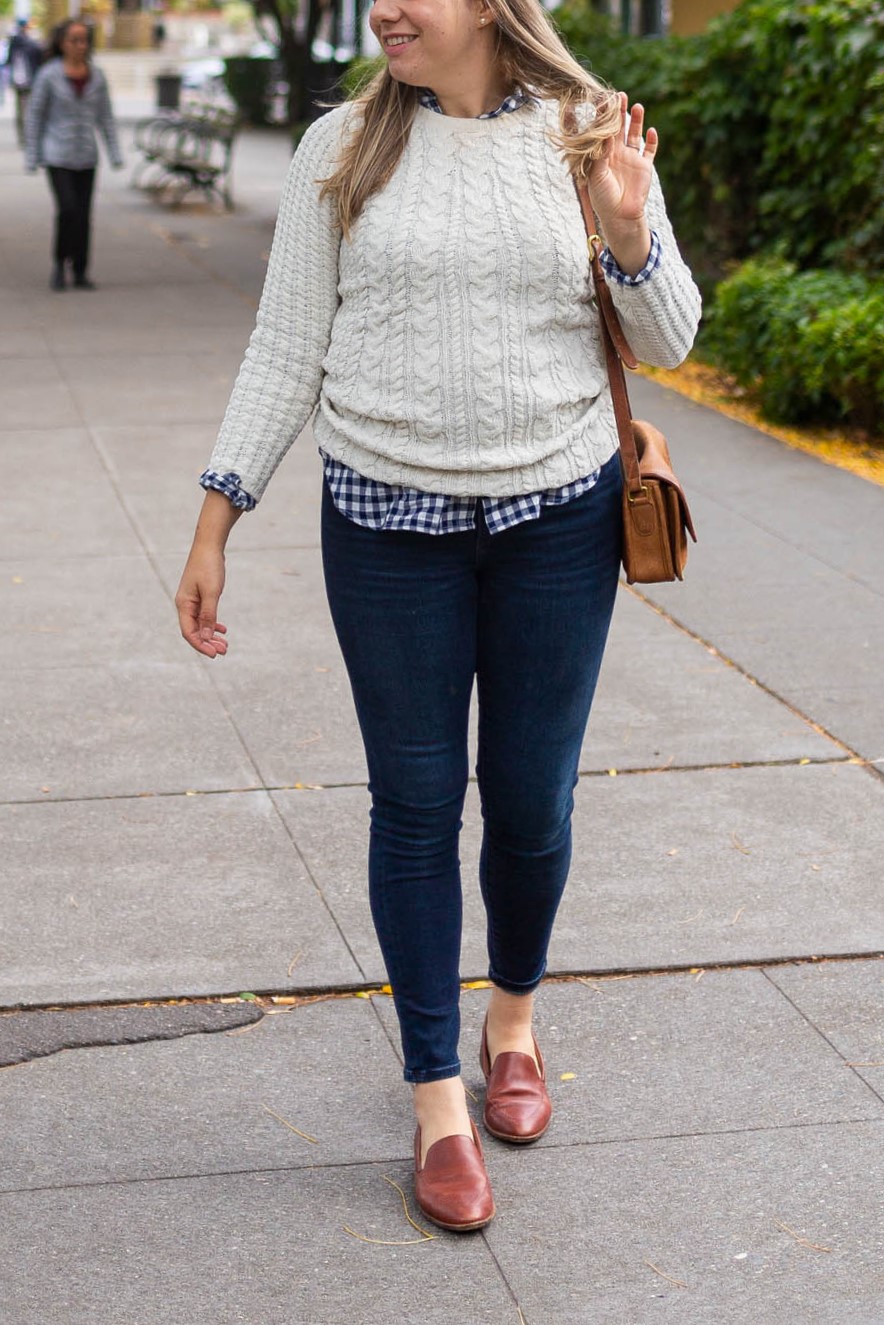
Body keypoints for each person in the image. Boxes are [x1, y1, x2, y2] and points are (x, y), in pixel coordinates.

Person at [175, 0, 701, 1232]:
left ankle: (509, 1023)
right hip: (384, 528)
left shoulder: (585, 132)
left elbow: (667, 338)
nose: (382, 10)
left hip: (555, 527)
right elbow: (283, 346)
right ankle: (435, 1100)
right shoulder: (341, 147)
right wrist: (216, 516)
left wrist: (626, 231)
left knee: (530, 801)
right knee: (414, 805)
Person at [24, 18, 122, 291]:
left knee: (83, 214)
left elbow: (106, 116)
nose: (80, 45)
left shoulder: (96, 75)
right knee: (67, 210)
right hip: (57, 155)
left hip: (87, 156)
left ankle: (80, 270)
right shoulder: (48, 75)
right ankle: (59, 264)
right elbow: (35, 116)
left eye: (84, 40)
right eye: (74, 40)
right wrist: (32, 156)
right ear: (61, 43)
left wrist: (114, 152)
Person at [5, 17, 43, 147]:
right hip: (31, 81)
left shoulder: (14, 42)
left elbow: (8, 61)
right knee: (30, 110)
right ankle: (28, 137)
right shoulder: (32, 43)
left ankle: (23, 137)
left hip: (19, 81)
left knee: (21, 110)